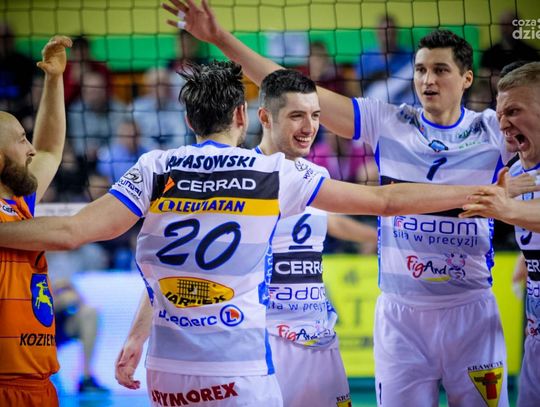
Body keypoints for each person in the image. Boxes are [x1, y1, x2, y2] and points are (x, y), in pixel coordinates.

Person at [0, 59, 486, 407]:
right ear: (241, 117)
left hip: (167, 374)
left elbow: (69, 232)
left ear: (188, 120)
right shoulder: (275, 173)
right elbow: (385, 202)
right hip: (239, 372)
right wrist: (481, 192)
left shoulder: (154, 167)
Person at [163, 1, 540, 404]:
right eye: (420, 69)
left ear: (466, 78)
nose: (427, 79)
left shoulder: (494, 130)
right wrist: (220, 38)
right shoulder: (388, 121)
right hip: (401, 314)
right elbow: (288, 89)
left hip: (470, 309)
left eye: (440, 70)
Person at [116, 68, 378, 406]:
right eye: (296, 116)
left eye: (315, 116)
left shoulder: (316, 175)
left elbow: (346, 218)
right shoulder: (242, 174)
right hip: (263, 340)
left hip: (316, 337)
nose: (309, 127)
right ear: (264, 118)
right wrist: (138, 335)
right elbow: (175, 269)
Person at [459, 62, 540, 406]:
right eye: (500, 112)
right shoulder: (516, 172)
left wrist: (505, 209)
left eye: (514, 111)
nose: (503, 122)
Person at [0, 35, 71, 407]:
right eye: (20, 139)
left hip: (39, 385)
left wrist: (54, 79)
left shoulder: (18, 202)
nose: (30, 149)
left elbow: (50, 150)